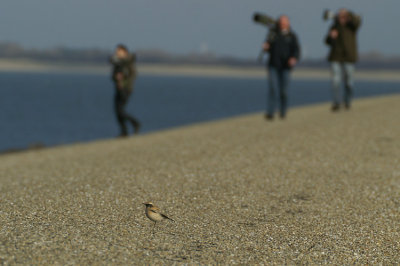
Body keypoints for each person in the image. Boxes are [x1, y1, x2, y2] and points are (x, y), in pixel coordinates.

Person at [262, 15, 300, 120]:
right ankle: (270, 112)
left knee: (284, 91)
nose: (283, 24)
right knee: (273, 89)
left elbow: (296, 50)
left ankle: (283, 111)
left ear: (288, 23)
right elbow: (268, 47)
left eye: (285, 22)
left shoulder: (292, 36)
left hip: (286, 67)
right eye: (281, 22)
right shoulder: (273, 34)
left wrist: (293, 58)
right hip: (273, 65)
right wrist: (265, 47)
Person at [325, 8, 361, 111]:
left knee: (349, 82)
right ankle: (336, 103)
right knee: (335, 81)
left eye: (343, 16)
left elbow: (357, 22)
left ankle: (348, 101)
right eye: (340, 16)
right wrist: (331, 36)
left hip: (349, 57)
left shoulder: (352, 26)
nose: (341, 18)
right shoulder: (334, 26)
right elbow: (327, 41)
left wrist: (348, 13)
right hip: (335, 57)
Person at [110, 44, 140, 136]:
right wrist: (116, 78)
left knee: (120, 110)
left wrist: (123, 80)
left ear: (125, 52)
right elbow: (113, 76)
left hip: (126, 89)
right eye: (116, 51)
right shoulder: (117, 63)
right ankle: (124, 131)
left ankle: (135, 123)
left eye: (119, 51)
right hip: (118, 88)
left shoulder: (129, 62)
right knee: (117, 111)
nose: (117, 53)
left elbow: (133, 75)